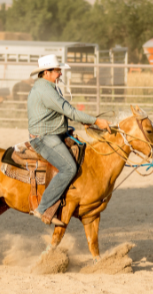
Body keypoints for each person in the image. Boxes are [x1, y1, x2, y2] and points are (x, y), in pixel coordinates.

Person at [27, 54, 111, 226]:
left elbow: (63, 111)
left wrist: (83, 121)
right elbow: (68, 110)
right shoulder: (45, 90)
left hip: (53, 132)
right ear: (47, 72)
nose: (60, 74)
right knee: (68, 168)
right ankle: (42, 208)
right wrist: (95, 121)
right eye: (58, 71)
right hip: (44, 137)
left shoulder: (47, 87)